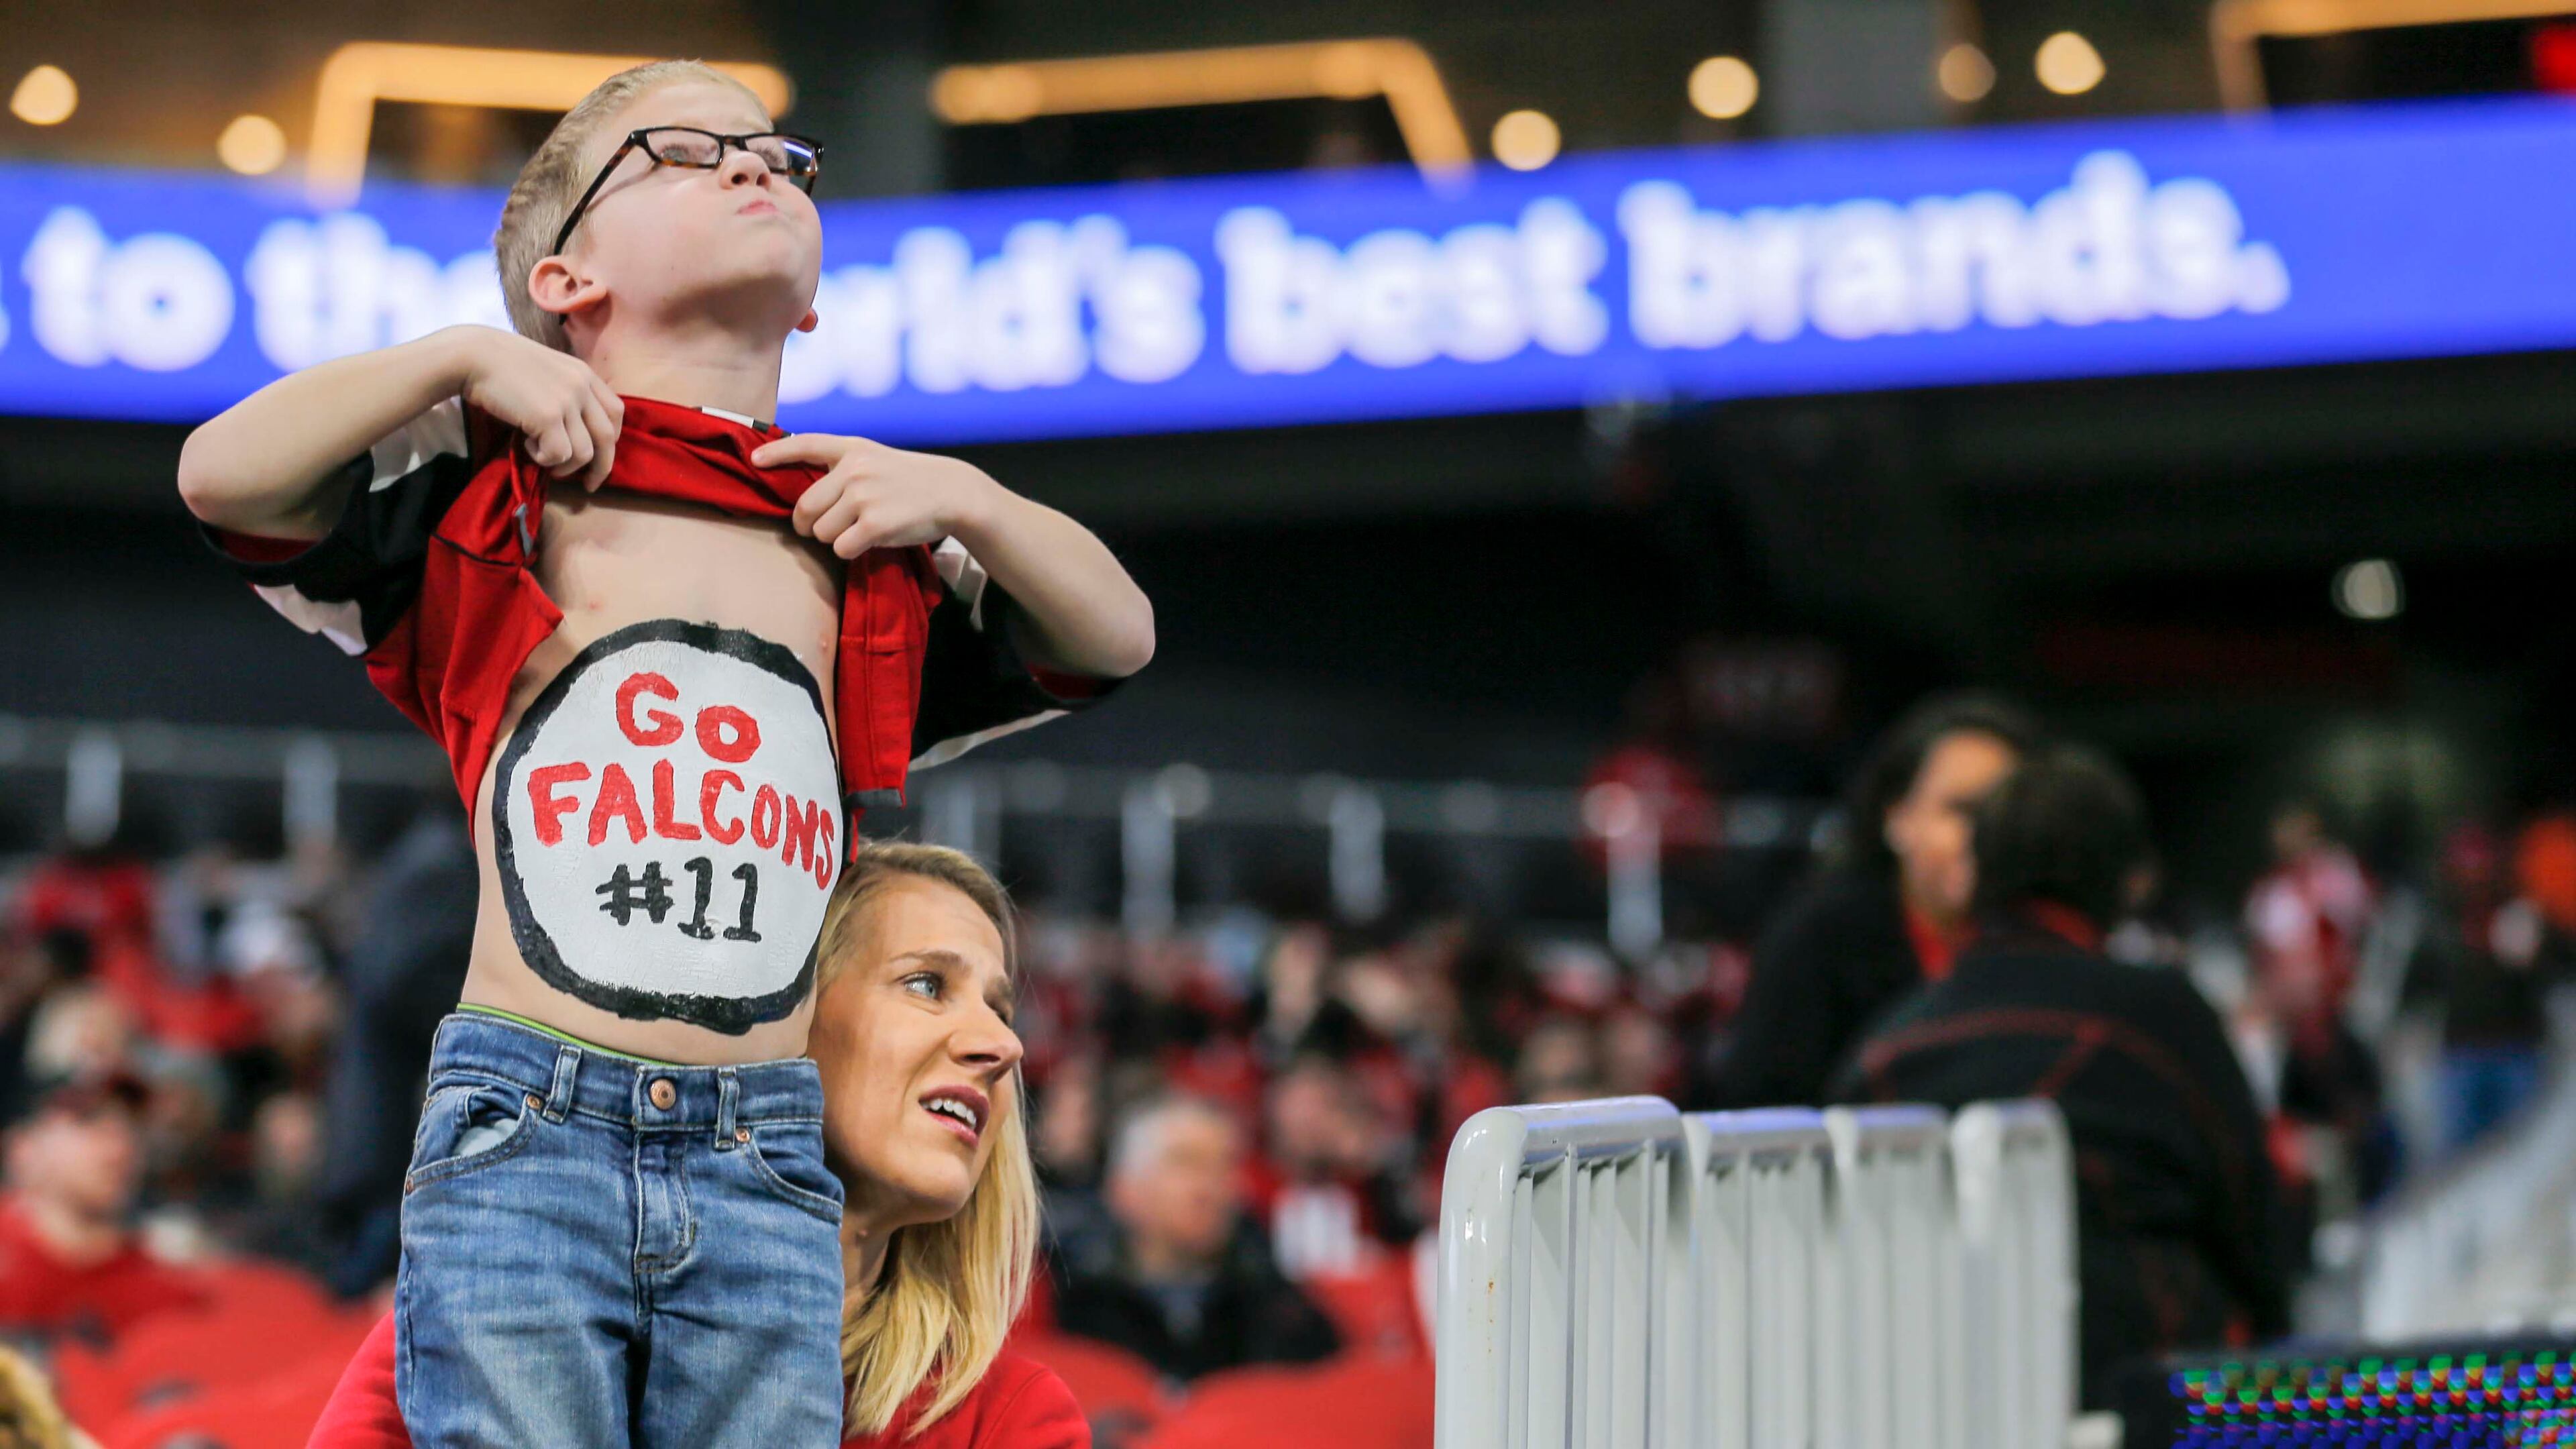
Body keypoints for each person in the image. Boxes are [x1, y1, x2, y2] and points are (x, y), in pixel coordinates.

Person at [177, 60, 1151, 1448]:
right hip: (527, 1122)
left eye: (779, 155)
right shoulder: (485, 486)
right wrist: (460, 357)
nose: (754, 165)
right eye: (683, 152)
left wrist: (973, 501)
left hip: (765, 1146)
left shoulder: (864, 539)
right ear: (567, 282)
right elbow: (224, 475)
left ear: (811, 300)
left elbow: (1114, 637)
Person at [308, 843, 1086, 1448]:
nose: (1002, 1045)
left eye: (1000, 1006)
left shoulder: (1007, 1424)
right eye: (926, 985)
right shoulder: (481, 1318)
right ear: (776, 1013)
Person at [1830, 748, 2289, 1406]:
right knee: (2461, 1403)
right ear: (2129, 880)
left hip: (1927, 1402)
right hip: (2146, 1401)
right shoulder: (2163, 1016)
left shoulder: (1883, 1048)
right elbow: (2253, 1234)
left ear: (1979, 872)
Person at [1694, 693, 2037, 1110]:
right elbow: (1758, 1104)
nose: (1983, 837)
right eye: (1961, 810)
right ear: (1897, 817)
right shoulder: (1819, 939)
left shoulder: (2039, 945)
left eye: (2003, 815)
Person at [1047, 1095, 1340, 1383]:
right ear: (1124, 1190)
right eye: (1186, 1162)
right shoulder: (1070, 1305)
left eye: (1224, 1165)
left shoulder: (1281, 1309)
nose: (1209, 1185)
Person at [0, 1071, 205, 1346]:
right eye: (90, 1123)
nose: (119, 1148)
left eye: (132, 1129)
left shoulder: (160, 1290)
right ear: (23, 1148)